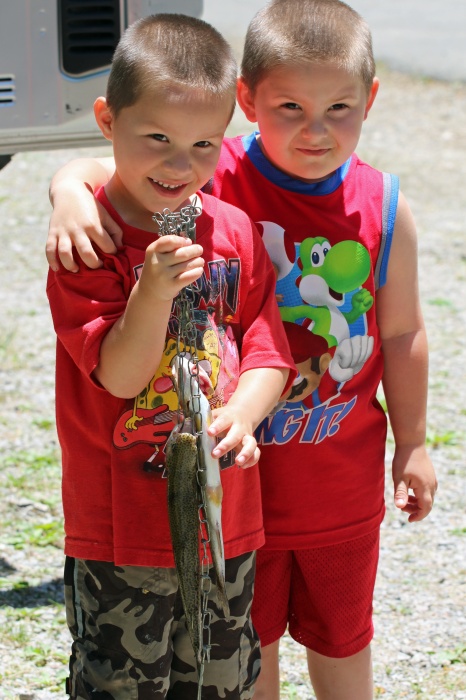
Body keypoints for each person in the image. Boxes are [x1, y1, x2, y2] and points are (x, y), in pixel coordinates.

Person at [46, 2, 438, 699]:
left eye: (339, 107)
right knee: (193, 666)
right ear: (249, 104)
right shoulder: (190, 188)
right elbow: (125, 161)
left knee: (309, 650)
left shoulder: (360, 207)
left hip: (308, 493)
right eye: (290, 106)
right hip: (184, 512)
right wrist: (68, 191)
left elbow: (359, 339)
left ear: (370, 101)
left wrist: (410, 441)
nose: (314, 130)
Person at [46, 13, 296, 700]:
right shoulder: (88, 242)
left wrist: (243, 415)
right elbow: (118, 374)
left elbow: (270, 350)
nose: (180, 166)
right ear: (107, 120)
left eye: (202, 145)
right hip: (121, 532)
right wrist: (151, 292)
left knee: (222, 683)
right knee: (122, 685)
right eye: (156, 138)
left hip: (226, 525)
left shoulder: (234, 230)